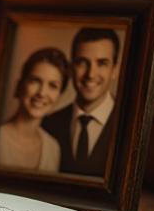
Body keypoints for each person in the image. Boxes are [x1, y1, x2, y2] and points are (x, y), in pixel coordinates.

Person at [42, 27, 120, 176]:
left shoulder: (131, 127)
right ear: (71, 69)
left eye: (102, 63)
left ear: (115, 69)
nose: (91, 74)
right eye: (82, 63)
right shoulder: (48, 124)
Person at [0, 47, 69, 171]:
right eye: (35, 81)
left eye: (53, 86)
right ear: (20, 85)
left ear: (59, 96)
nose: (42, 93)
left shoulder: (54, 148)